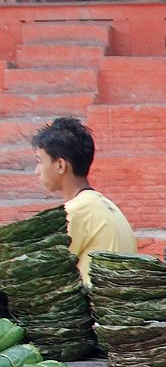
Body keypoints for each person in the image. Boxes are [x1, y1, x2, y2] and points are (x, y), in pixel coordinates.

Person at [31, 117, 135, 285]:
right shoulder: (105, 205)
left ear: (60, 165)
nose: (37, 171)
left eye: (39, 161)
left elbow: (39, 270)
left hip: (94, 308)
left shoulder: (75, 212)